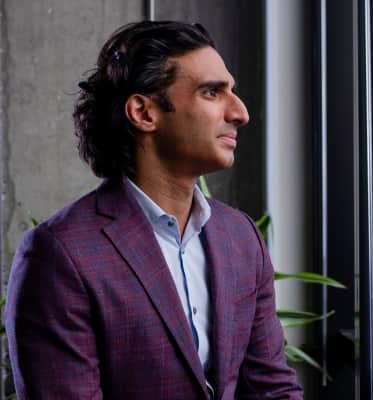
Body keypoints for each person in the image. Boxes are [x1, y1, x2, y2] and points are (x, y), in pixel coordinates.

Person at [6, 21, 303, 399]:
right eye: (212, 92)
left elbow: (272, 389)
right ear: (144, 112)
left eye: (233, 91)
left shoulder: (241, 237)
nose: (240, 112)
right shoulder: (61, 254)